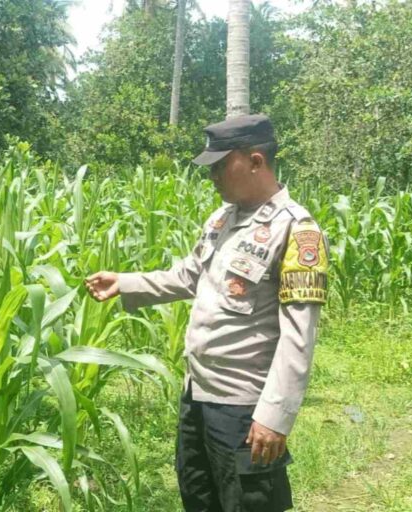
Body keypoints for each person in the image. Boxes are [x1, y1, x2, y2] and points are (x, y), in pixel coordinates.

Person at [84, 114, 328, 512]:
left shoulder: (297, 231)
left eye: (220, 164)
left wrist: (274, 417)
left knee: (247, 504)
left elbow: (299, 336)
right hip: (197, 394)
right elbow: (188, 276)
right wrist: (124, 283)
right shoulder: (222, 219)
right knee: (199, 496)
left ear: (254, 161)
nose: (212, 175)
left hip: (244, 407)